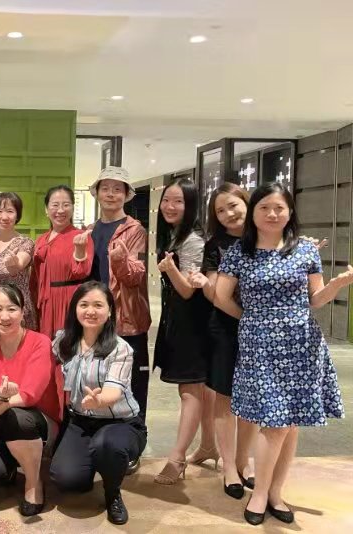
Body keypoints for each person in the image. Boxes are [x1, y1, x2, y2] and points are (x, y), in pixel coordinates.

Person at [215, 183, 349, 525]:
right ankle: (261, 493)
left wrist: (336, 286)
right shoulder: (240, 252)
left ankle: (275, 492)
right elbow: (221, 297)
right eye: (264, 208)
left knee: (290, 423)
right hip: (260, 345)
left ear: (290, 212)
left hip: (302, 344)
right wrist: (252, 319)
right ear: (253, 213)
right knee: (275, 423)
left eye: (279, 208)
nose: (272, 214)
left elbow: (315, 299)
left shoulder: (304, 250)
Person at [49, 281, 147, 525]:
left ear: (110, 311)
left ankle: (113, 493)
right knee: (66, 479)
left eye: (98, 305)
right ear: (75, 309)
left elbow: (114, 390)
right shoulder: (64, 342)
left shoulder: (120, 349)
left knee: (107, 445)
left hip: (120, 423)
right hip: (81, 422)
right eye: (84, 305)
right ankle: (95, 461)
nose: (90, 311)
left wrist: (99, 400)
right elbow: (37, 351)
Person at [186, 183, 256, 498]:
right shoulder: (215, 245)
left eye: (233, 205)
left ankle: (244, 461)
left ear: (246, 202)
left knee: (252, 398)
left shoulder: (267, 238)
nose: (228, 213)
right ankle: (229, 467)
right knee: (225, 397)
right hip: (226, 328)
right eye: (220, 210)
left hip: (261, 333)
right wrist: (205, 284)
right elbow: (216, 296)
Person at [0, 283, 60, 516]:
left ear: (22, 312)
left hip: (37, 420)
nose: (5, 316)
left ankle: (33, 483)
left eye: (12, 309)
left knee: (17, 418)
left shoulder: (40, 342)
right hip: (3, 418)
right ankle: (14, 464)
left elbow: (29, 395)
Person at [152, 178, 212, 485]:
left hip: (194, 323)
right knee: (200, 390)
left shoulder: (192, 240)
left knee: (189, 390)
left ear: (191, 206)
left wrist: (171, 269)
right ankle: (209, 446)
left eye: (178, 201)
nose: (170, 206)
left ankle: (177, 458)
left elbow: (188, 290)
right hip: (179, 319)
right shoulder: (175, 234)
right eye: (166, 200)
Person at [86, 167, 151, 429]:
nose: (111, 194)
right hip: (97, 320)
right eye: (105, 188)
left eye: (117, 189)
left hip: (127, 320)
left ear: (126, 194)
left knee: (132, 383)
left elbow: (136, 276)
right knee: (99, 380)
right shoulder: (90, 230)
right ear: (97, 193)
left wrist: (120, 261)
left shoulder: (135, 230)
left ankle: (134, 435)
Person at [31, 185, 93, 340]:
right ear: (46, 209)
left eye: (66, 205)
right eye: (55, 205)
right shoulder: (41, 239)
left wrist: (80, 249)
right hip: (44, 304)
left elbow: (82, 271)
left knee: (67, 346)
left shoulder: (80, 236)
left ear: (72, 208)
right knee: (46, 346)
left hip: (69, 300)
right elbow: (35, 278)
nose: (60, 210)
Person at [0, 192, 36, 342]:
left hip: (16, 314)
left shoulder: (25, 243)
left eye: (10, 211)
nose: (4, 217)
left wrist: (15, 264)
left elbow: (20, 263)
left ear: (17, 215)